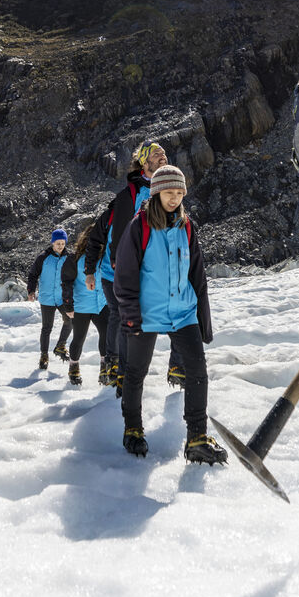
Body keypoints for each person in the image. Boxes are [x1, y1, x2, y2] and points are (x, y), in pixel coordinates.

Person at [113, 165, 226, 465]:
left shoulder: (187, 226)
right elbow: (124, 274)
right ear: (156, 193)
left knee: (197, 372)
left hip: (183, 311)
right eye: (168, 192)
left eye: (179, 193)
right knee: (136, 373)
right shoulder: (140, 226)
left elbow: (197, 275)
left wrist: (203, 319)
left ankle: (197, 439)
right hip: (147, 313)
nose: (174, 198)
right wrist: (130, 316)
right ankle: (133, 429)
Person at [84, 140, 184, 394]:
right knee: (126, 319)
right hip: (120, 271)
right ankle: (120, 372)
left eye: (164, 152)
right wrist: (95, 269)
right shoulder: (129, 195)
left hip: (150, 269)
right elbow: (111, 234)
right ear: (143, 161)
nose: (163, 155)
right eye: (156, 153)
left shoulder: (169, 192)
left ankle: (177, 367)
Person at [59, 221, 110, 386]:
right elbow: (66, 283)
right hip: (81, 307)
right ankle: (73, 368)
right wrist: (68, 305)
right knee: (79, 338)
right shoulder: (74, 260)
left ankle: (105, 369)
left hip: (102, 305)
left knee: (107, 336)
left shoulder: (106, 259)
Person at [26, 228, 72, 371]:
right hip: (46, 298)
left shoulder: (69, 257)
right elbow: (33, 274)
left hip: (61, 297)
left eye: (63, 243)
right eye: (58, 243)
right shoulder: (43, 257)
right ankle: (44, 356)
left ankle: (60, 346)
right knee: (47, 327)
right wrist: (31, 290)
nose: (60, 246)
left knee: (70, 320)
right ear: (52, 243)